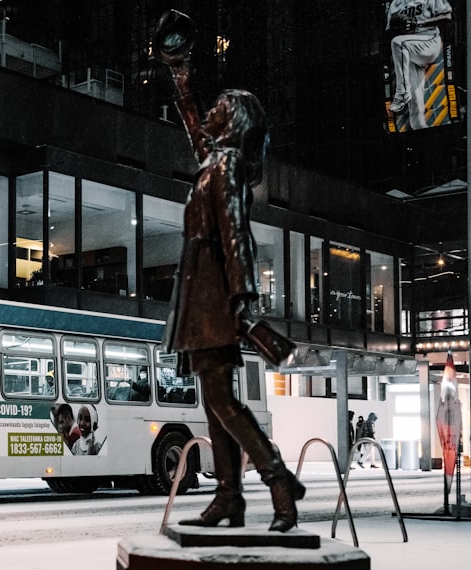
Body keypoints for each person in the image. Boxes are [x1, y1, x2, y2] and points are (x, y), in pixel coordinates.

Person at [152, 12, 304, 532]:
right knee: (213, 399)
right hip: (202, 287)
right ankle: (229, 497)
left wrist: (243, 297)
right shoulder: (214, 160)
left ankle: (278, 480)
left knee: (219, 397)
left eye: (220, 107)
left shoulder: (229, 166)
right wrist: (180, 75)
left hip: (216, 288)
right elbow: (192, 121)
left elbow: (237, 231)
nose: (211, 112)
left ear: (235, 120)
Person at [385, 0, 452, 130]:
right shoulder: (396, 3)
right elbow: (389, 31)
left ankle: (402, 92)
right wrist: (399, 27)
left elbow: (447, 17)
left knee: (398, 43)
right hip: (409, 48)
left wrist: (419, 24)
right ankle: (420, 127)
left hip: (429, 41)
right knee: (415, 97)